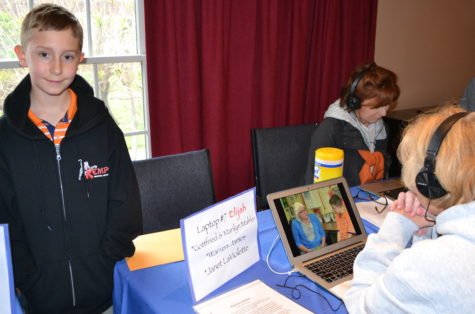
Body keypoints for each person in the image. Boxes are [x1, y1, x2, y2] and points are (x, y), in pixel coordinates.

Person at [0, 4, 142, 313]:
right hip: (39, 298)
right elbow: (4, 218)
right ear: (22, 55)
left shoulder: (102, 125)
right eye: (43, 54)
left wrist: (108, 259)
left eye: (67, 56)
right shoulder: (5, 139)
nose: (55, 68)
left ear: (80, 58)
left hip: (106, 290)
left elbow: (126, 202)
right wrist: (27, 276)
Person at [344, 104, 475, 313]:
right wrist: (425, 234)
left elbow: (361, 306)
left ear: (429, 182)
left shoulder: (428, 265)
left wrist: (395, 229)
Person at [305, 62, 400, 187]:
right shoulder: (331, 130)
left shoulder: (381, 130)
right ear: (355, 102)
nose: (384, 113)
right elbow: (316, 187)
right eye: (378, 106)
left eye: (387, 105)